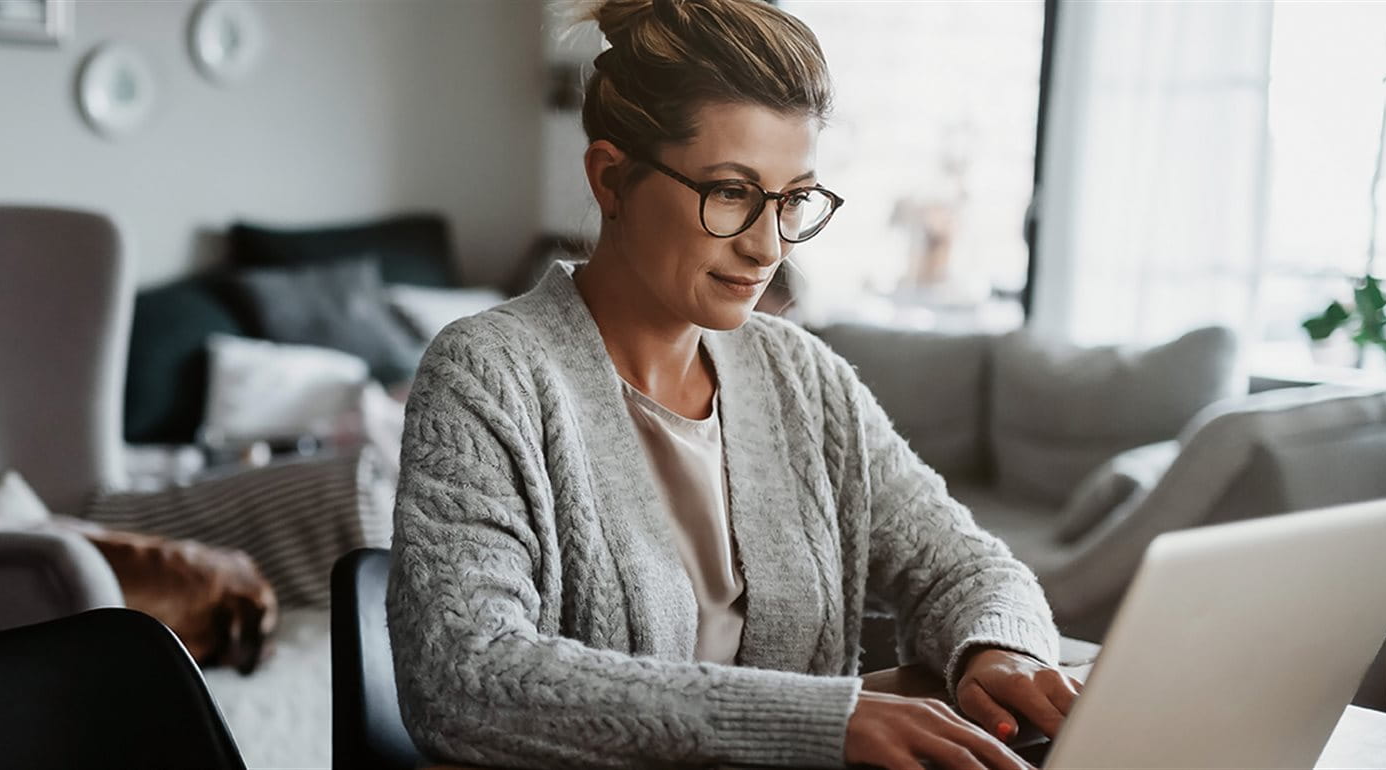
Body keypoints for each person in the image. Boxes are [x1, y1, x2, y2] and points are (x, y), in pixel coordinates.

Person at [386, 1, 1079, 768]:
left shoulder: (804, 378)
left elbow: (965, 565)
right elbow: (465, 677)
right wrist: (825, 724)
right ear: (611, 178)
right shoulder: (489, 374)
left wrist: (998, 650)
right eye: (730, 192)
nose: (767, 245)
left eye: (793, 199)